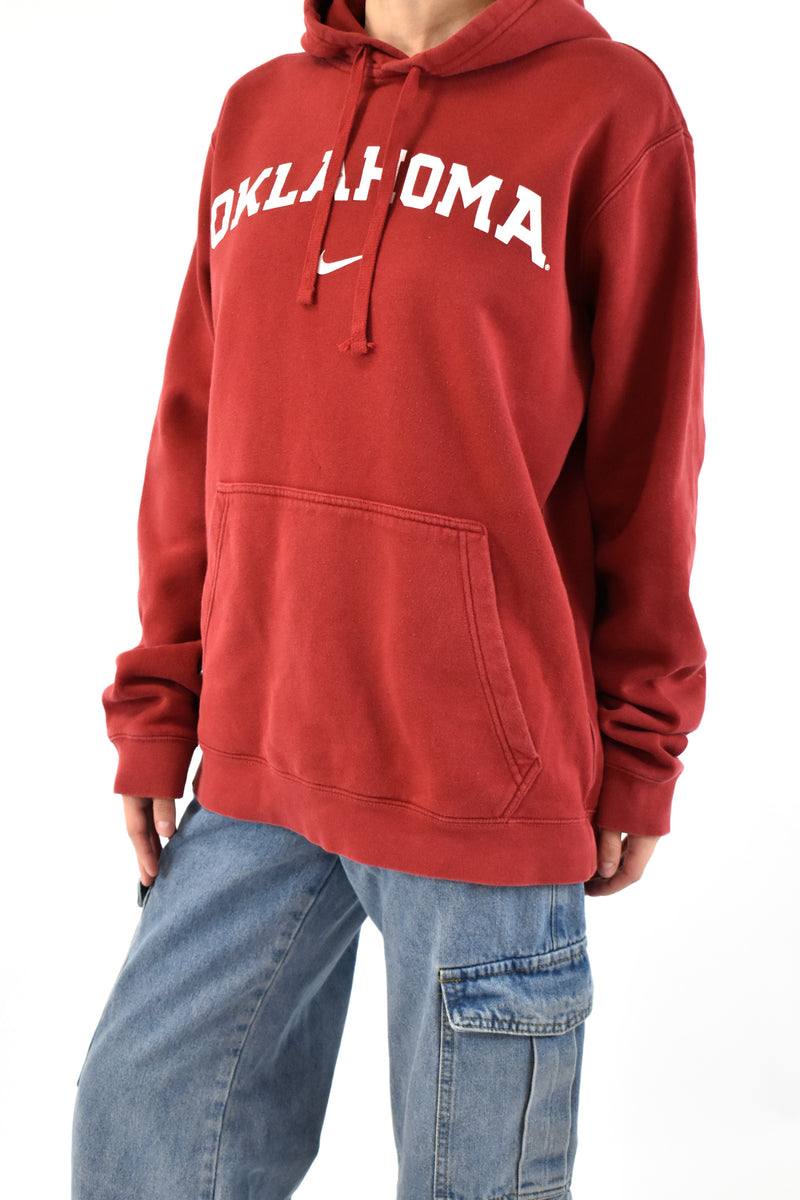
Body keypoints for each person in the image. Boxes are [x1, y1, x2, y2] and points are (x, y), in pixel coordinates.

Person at [72, 1, 706, 1197]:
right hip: (259, 756)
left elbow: (649, 451)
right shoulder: (258, 111)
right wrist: (161, 696)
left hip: (479, 775)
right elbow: (192, 432)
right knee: (137, 1122)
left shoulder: (608, 109)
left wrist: (641, 740)